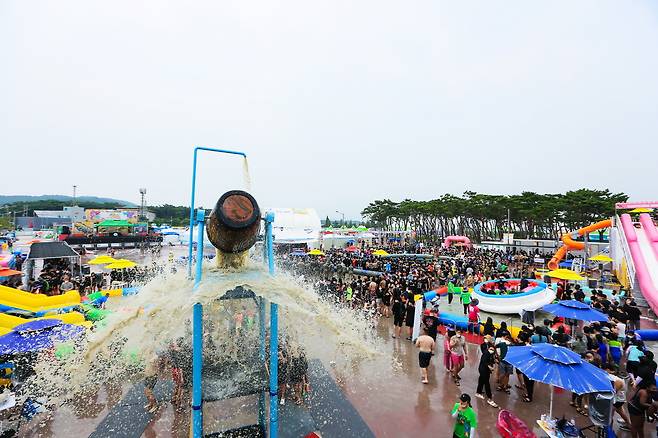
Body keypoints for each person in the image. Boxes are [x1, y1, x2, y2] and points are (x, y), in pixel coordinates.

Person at [602, 363, 632, 431]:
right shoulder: (609, 377)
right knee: (621, 412)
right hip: (618, 399)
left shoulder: (616, 380)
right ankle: (629, 425)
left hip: (618, 400)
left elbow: (613, 392)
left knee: (609, 415)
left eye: (604, 369)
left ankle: (608, 431)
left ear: (609, 370)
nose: (602, 371)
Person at [475, 343, 499, 408]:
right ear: (488, 348)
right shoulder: (486, 353)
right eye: (491, 349)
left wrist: (495, 361)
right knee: (487, 383)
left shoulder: (491, 354)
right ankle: (490, 398)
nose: (492, 350)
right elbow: (484, 361)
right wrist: (489, 367)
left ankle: (478, 392)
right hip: (483, 369)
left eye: (493, 350)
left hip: (486, 370)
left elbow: (490, 360)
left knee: (481, 380)